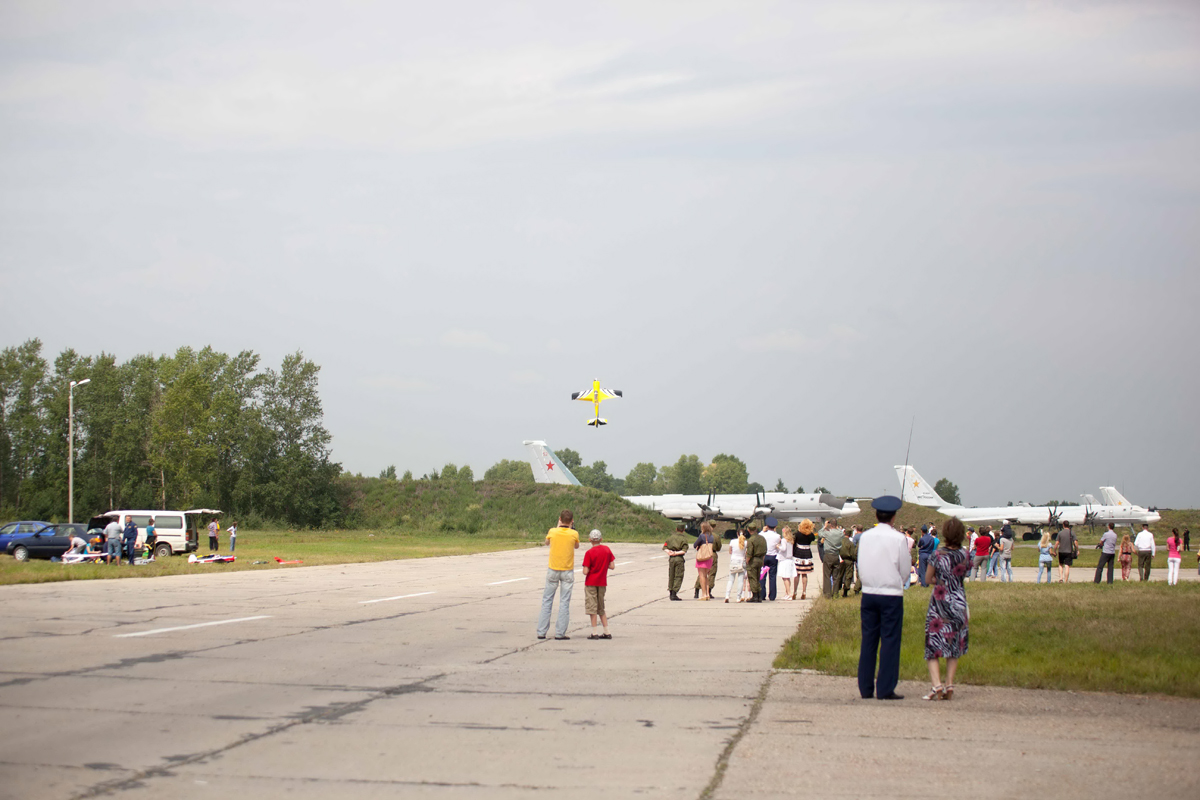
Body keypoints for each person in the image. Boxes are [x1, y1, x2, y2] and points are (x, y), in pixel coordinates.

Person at [857, 495, 910, 701]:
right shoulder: (898, 538)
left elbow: (861, 563)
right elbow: (904, 569)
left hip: (869, 592)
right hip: (891, 594)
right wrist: (898, 581)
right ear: (894, 517)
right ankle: (886, 687)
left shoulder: (866, 537)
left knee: (868, 639)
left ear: (876, 515)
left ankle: (865, 687)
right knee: (890, 640)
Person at [922, 517, 970, 701]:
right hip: (959, 601)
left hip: (940, 603)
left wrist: (940, 581)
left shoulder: (938, 555)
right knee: (954, 644)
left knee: (933, 645)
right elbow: (962, 575)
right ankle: (950, 684)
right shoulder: (965, 555)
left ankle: (936, 685)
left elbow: (927, 579)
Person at [537, 509, 579, 640]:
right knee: (564, 602)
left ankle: (541, 632)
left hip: (553, 569)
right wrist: (571, 528)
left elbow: (546, 542)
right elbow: (576, 546)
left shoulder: (552, 531)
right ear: (572, 521)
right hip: (567, 570)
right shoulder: (574, 533)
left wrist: (557, 526)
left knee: (547, 600)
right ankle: (560, 633)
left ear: (560, 519)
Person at [581, 529, 615, 638]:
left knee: (592, 607)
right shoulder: (607, 550)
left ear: (590, 540)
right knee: (601, 607)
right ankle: (606, 631)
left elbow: (585, 571)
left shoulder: (589, 553)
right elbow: (612, 566)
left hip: (591, 582)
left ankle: (594, 632)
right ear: (601, 539)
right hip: (602, 582)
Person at [819, 519, 846, 598]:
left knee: (827, 575)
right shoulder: (840, 533)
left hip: (828, 555)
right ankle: (835, 593)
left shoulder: (827, 533)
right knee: (836, 576)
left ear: (830, 525)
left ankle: (827, 594)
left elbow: (820, 533)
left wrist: (825, 526)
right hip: (836, 555)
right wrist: (837, 528)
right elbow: (842, 532)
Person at [694, 525, 722, 598]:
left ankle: (698, 591)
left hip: (702, 555)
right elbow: (719, 547)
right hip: (711, 555)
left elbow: (695, 545)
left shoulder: (701, 536)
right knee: (710, 574)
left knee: (701, 575)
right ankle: (708, 592)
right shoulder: (714, 536)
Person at [663, 524, 690, 601]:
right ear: (683, 530)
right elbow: (684, 550)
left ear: (676, 529)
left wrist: (669, 552)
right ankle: (674, 593)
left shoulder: (670, 538)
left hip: (671, 559)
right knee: (678, 576)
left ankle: (671, 592)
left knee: (671, 575)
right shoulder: (683, 539)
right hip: (679, 558)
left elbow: (665, 547)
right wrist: (676, 553)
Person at [793, 519, 816, 599]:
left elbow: (794, 543)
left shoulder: (798, 534)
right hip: (807, 553)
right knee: (804, 573)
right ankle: (804, 591)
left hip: (798, 552)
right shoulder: (810, 535)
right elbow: (813, 538)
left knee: (797, 573)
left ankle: (795, 591)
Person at [760, 517, 782, 601]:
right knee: (772, 576)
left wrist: (762, 530)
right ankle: (772, 596)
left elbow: (758, 536)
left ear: (767, 526)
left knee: (762, 576)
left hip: (764, 556)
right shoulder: (777, 536)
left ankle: (762, 594)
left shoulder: (763, 534)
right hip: (773, 557)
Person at [745, 524, 767, 603]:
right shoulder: (762, 538)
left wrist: (747, 561)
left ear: (749, 530)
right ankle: (759, 596)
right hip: (761, 559)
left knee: (752, 578)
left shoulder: (751, 540)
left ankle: (755, 596)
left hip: (753, 560)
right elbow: (765, 550)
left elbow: (749, 553)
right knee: (758, 578)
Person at [725, 528, 748, 603]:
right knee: (741, 580)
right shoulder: (746, 542)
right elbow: (746, 553)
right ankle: (738, 597)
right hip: (742, 561)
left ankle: (727, 595)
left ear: (737, 534)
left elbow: (730, 551)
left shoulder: (732, 541)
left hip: (733, 561)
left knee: (731, 580)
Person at [777, 526, 797, 599]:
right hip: (790, 560)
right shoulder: (791, 540)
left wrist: (778, 546)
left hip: (784, 560)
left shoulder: (784, 540)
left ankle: (789, 593)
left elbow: (783, 548)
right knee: (787, 577)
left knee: (785, 577)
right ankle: (787, 592)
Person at [838, 532, 858, 597]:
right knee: (848, 576)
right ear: (850, 535)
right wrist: (855, 559)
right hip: (849, 560)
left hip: (841, 560)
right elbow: (852, 554)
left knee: (839, 575)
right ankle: (845, 591)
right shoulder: (850, 543)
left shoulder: (840, 542)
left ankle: (837, 589)